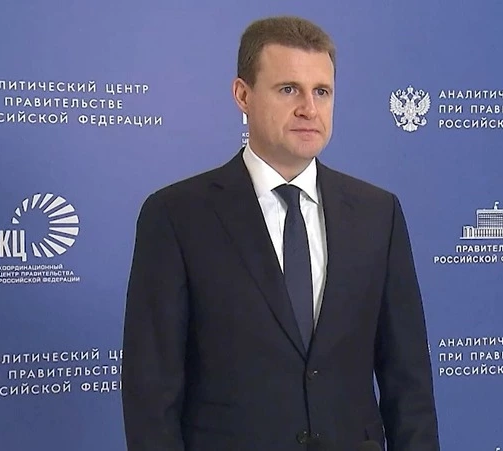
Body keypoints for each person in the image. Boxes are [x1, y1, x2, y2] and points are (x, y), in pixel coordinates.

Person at [121, 15, 440, 451]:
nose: (309, 108)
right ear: (243, 95)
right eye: (289, 89)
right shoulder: (176, 215)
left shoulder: (378, 214)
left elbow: (409, 383)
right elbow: (151, 395)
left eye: (321, 91)